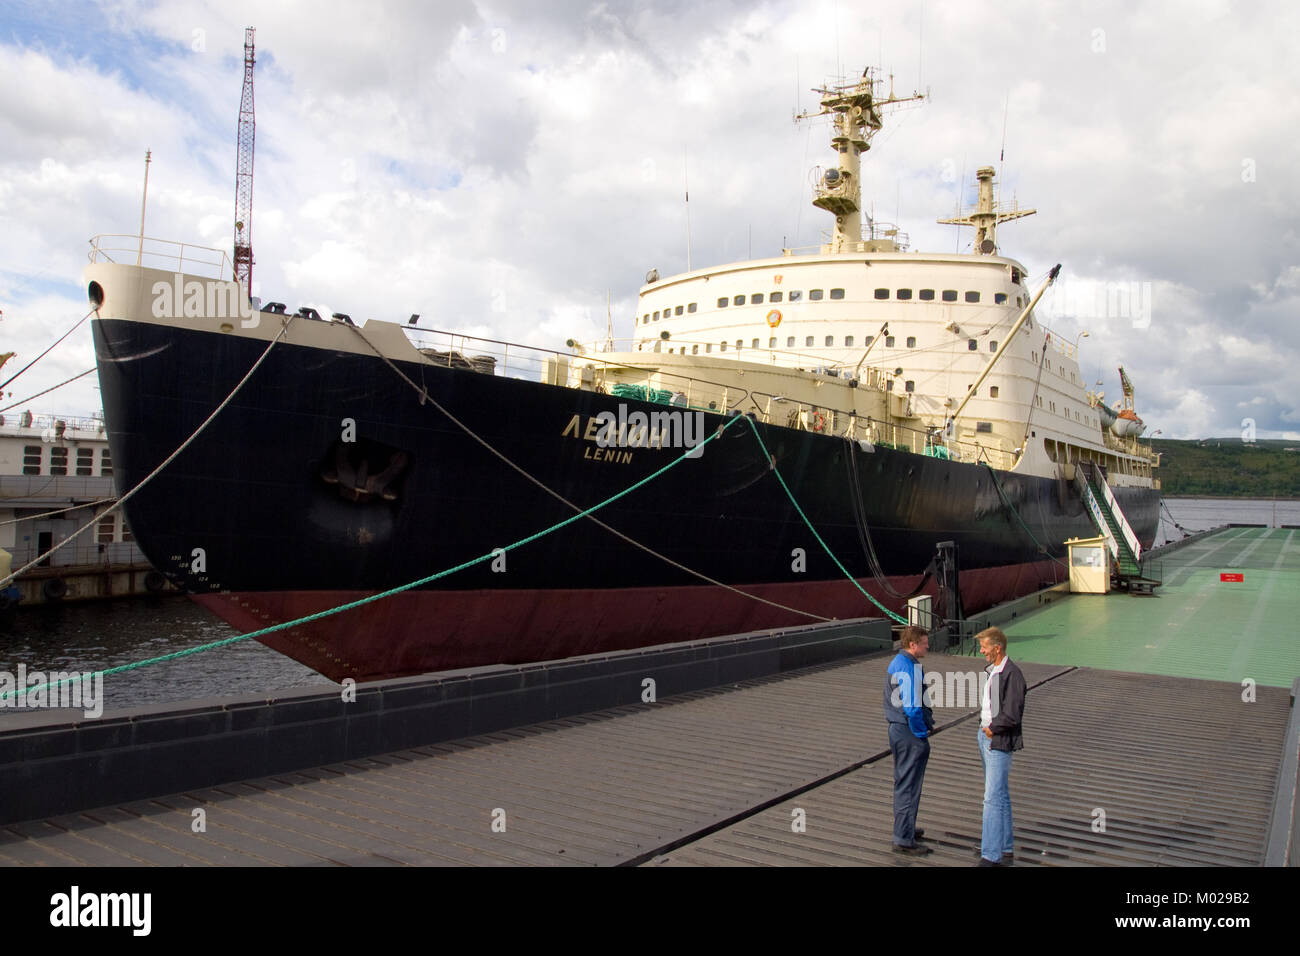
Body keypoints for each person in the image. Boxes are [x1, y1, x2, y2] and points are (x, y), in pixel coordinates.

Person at [974, 626, 1026, 866]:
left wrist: (992, 729)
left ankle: (990, 855)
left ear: (998, 648)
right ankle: (1004, 847)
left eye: (984, 647)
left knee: (992, 798)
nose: (981, 651)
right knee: (1000, 795)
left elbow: (1013, 713)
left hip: (998, 739)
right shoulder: (993, 670)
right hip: (985, 736)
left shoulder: (1012, 675)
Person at [883, 625, 935, 855]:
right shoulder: (908, 668)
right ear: (912, 644)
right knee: (908, 784)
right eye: (924, 643)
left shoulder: (899, 662)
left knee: (904, 781)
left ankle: (906, 827)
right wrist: (921, 732)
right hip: (908, 732)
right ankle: (903, 838)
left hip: (898, 729)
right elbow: (912, 707)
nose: (927, 646)